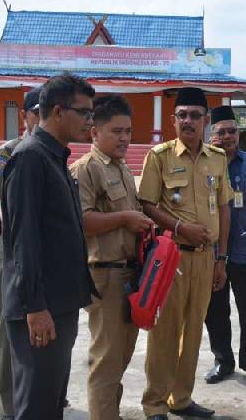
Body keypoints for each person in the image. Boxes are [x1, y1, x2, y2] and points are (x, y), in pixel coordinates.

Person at [0, 73, 97, 420]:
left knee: (51, 403)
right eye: (84, 113)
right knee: (36, 408)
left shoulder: (53, 157)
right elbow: (24, 241)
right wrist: (35, 308)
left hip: (58, 305)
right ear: (58, 111)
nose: (90, 121)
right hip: (41, 310)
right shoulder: (30, 159)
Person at [139, 87, 232, 420]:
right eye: (182, 115)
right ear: (173, 119)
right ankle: (154, 405)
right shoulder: (159, 156)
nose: (188, 121)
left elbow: (224, 208)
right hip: (171, 258)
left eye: (195, 115)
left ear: (206, 120)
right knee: (164, 333)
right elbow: (147, 205)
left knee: (193, 331)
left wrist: (221, 259)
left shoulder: (217, 159)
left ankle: (181, 399)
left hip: (207, 258)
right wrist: (180, 228)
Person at [69, 95, 153, 420]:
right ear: (94, 133)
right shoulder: (85, 170)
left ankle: (110, 414)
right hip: (104, 277)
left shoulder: (121, 168)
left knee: (122, 357)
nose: (124, 138)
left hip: (130, 274)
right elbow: (82, 221)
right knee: (106, 360)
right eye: (116, 131)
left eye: (128, 131)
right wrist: (125, 219)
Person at [0, 86, 41, 420]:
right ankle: (10, 408)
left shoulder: (53, 150)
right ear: (25, 116)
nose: (44, 120)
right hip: (17, 260)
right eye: (38, 113)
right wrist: (7, 242)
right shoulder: (10, 153)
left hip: (44, 259)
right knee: (12, 336)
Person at [203, 105, 246, 387]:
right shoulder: (204, 162)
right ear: (211, 136)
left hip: (244, 249)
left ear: (239, 134)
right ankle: (223, 360)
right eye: (221, 132)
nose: (227, 137)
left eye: (232, 131)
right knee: (216, 309)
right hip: (211, 251)